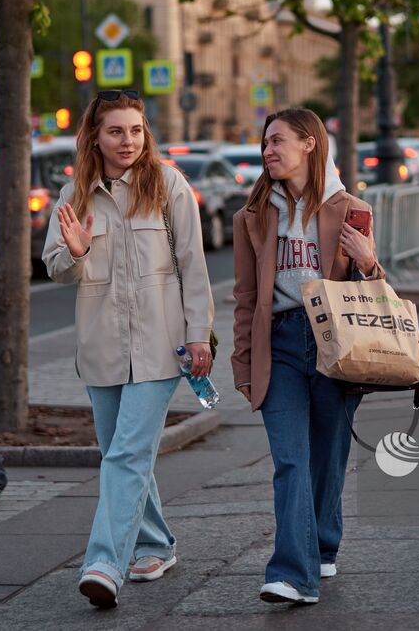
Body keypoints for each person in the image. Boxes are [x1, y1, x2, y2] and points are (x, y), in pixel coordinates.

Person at [44, 88, 215, 609]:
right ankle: (157, 543)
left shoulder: (167, 184)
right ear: (94, 135)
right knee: (124, 454)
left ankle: (103, 564)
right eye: (116, 131)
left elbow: (194, 264)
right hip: (101, 349)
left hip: (160, 346)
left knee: (126, 455)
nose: (128, 141)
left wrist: (197, 334)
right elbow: (54, 266)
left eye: (136, 130)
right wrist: (76, 253)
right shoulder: (75, 195)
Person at [232, 107, 383, 606]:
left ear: (310, 144)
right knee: (290, 459)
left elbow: (373, 293)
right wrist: (242, 363)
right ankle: (293, 574)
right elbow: (246, 297)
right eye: (265, 144)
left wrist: (368, 261)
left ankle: (322, 543)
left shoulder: (350, 209)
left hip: (333, 343)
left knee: (328, 456)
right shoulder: (252, 216)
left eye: (278, 141)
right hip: (279, 345)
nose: (268, 151)